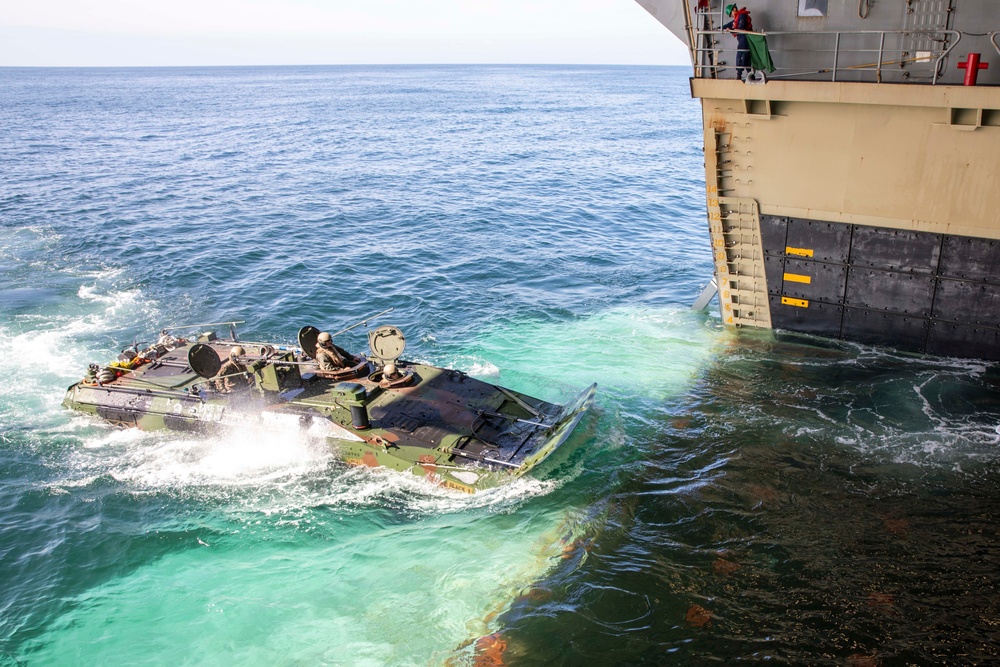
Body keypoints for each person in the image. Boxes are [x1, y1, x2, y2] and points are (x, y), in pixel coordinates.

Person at [723, 4, 753, 81]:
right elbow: (730, 25)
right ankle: (750, 75)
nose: (732, 16)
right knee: (746, 56)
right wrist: (719, 28)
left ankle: (739, 75)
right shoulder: (738, 17)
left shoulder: (742, 16)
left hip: (745, 38)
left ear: (733, 10)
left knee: (741, 55)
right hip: (745, 39)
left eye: (731, 14)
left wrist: (730, 30)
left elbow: (741, 27)